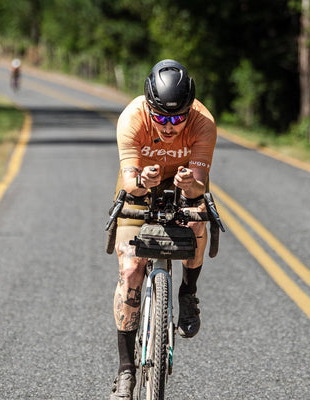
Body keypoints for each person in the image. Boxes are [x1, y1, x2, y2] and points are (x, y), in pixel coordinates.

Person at [108, 59, 217, 400]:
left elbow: (199, 186)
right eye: (161, 117)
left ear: (190, 109)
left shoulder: (204, 123)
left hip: (184, 183)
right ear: (148, 107)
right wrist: (143, 181)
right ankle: (126, 372)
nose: (169, 127)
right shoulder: (131, 119)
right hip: (142, 182)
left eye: (177, 118)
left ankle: (188, 293)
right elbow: (130, 182)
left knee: (199, 220)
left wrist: (190, 185)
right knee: (130, 270)